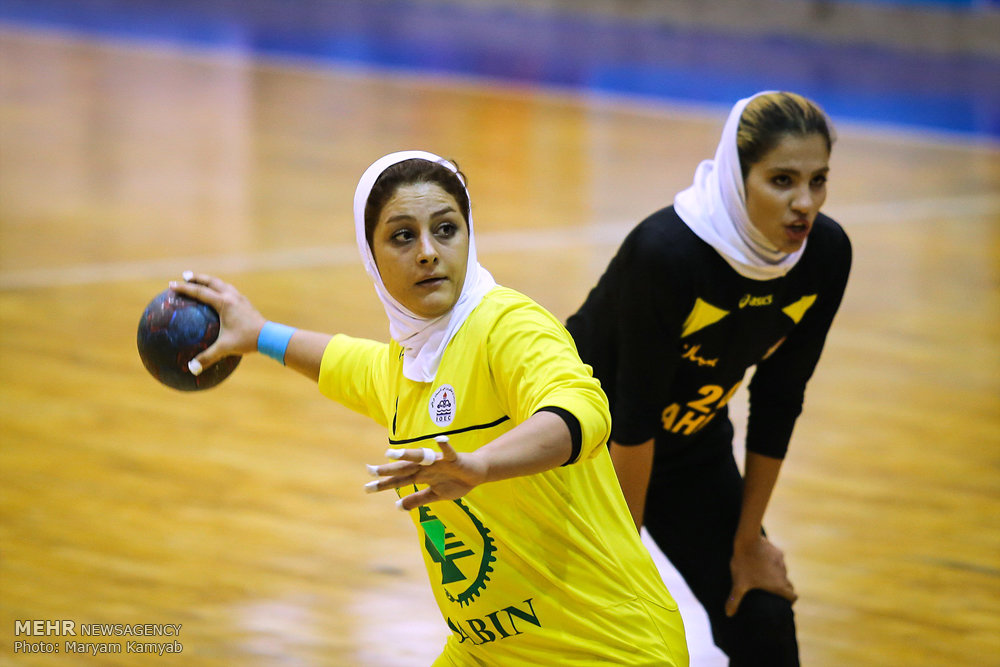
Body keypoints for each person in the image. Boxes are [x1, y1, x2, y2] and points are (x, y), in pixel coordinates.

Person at [170, 151, 689, 666]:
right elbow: (345, 362)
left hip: (611, 648)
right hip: (488, 652)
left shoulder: (507, 325)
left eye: (445, 230)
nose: (427, 252)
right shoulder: (407, 364)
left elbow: (582, 410)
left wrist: (481, 465)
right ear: (371, 257)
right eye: (403, 236)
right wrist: (259, 334)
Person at [566, 91, 852, 666]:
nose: (804, 203)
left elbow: (779, 400)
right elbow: (632, 418)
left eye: (817, 181)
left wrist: (747, 543)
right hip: (575, 452)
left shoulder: (825, 256)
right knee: (597, 639)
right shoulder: (667, 253)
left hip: (687, 448)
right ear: (737, 177)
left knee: (762, 617)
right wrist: (624, 569)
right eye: (782, 181)